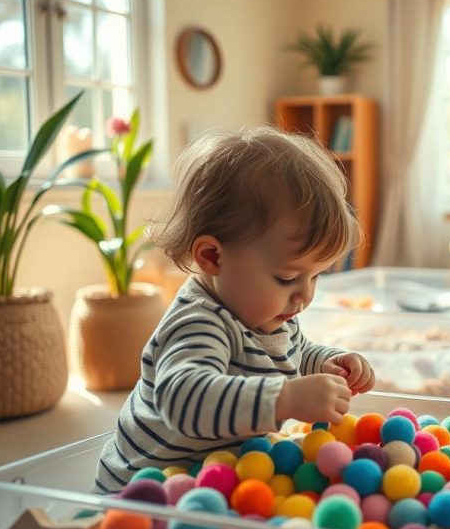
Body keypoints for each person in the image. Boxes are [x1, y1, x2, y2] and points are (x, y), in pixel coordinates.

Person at [95, 127, 375, 492]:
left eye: (315, 276)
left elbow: (291, 353)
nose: (304, 295)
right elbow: (184, 400)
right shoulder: (197, 322)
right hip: (148, 495)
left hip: (219, 483)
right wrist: (286, 399)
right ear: (212, 256)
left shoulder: (266, 311)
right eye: (287, 277)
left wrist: (327, 362)